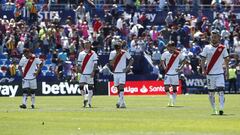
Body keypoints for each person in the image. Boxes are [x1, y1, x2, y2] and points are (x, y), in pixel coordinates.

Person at [200, 29, 229, 115]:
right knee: (211, 93)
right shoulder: (206, 48)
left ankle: (221, 108)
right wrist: (202, 69)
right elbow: (202, 59)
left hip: (219, 73)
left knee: (221, 91)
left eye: (215, 37)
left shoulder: (223, 48)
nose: (214, 38)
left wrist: (227, 71)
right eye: (212, 37)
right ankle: (214, 109)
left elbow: (226, 60)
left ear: (219, 38)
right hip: (210, 74)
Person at [160, 41, 187, 107]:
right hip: (167, 73)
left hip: (175, 74)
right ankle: (170, 98)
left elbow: (184, 60)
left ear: (174, 47)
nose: (170, 48)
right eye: (169, 46)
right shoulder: (165, 54)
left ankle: (173, 101)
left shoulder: (178, 53)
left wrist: (180, 68)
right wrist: (164, 67)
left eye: (172, 46)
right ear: (167, 47)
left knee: (174, 88)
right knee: (166, 87)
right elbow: (162, 60)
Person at [109, 40, 134, 108]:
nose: (118, 49)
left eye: (119, 47)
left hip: (122, 73)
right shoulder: (112, 53)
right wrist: (116, 55)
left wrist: (128, 67)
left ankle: (120, 102)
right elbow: (111, 63)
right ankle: (122, 102)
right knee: (118, 88)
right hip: (115, 73)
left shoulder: (124, 52)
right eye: (117, 47)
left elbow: (131, 59)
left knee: (121, 87)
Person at [77, 40, 98, 108]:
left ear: (90, 45)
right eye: (85, 44)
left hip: (90, 73)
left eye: (87, 43)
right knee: (80, 87)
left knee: (90, 88)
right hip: (83, 73)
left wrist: (93, 72)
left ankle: (89, 102)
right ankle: (85, 98)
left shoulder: (93, 53)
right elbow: (79, 64)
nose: (86, 45)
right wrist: (79, 69)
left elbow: (95, 63)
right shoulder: (81, 53)